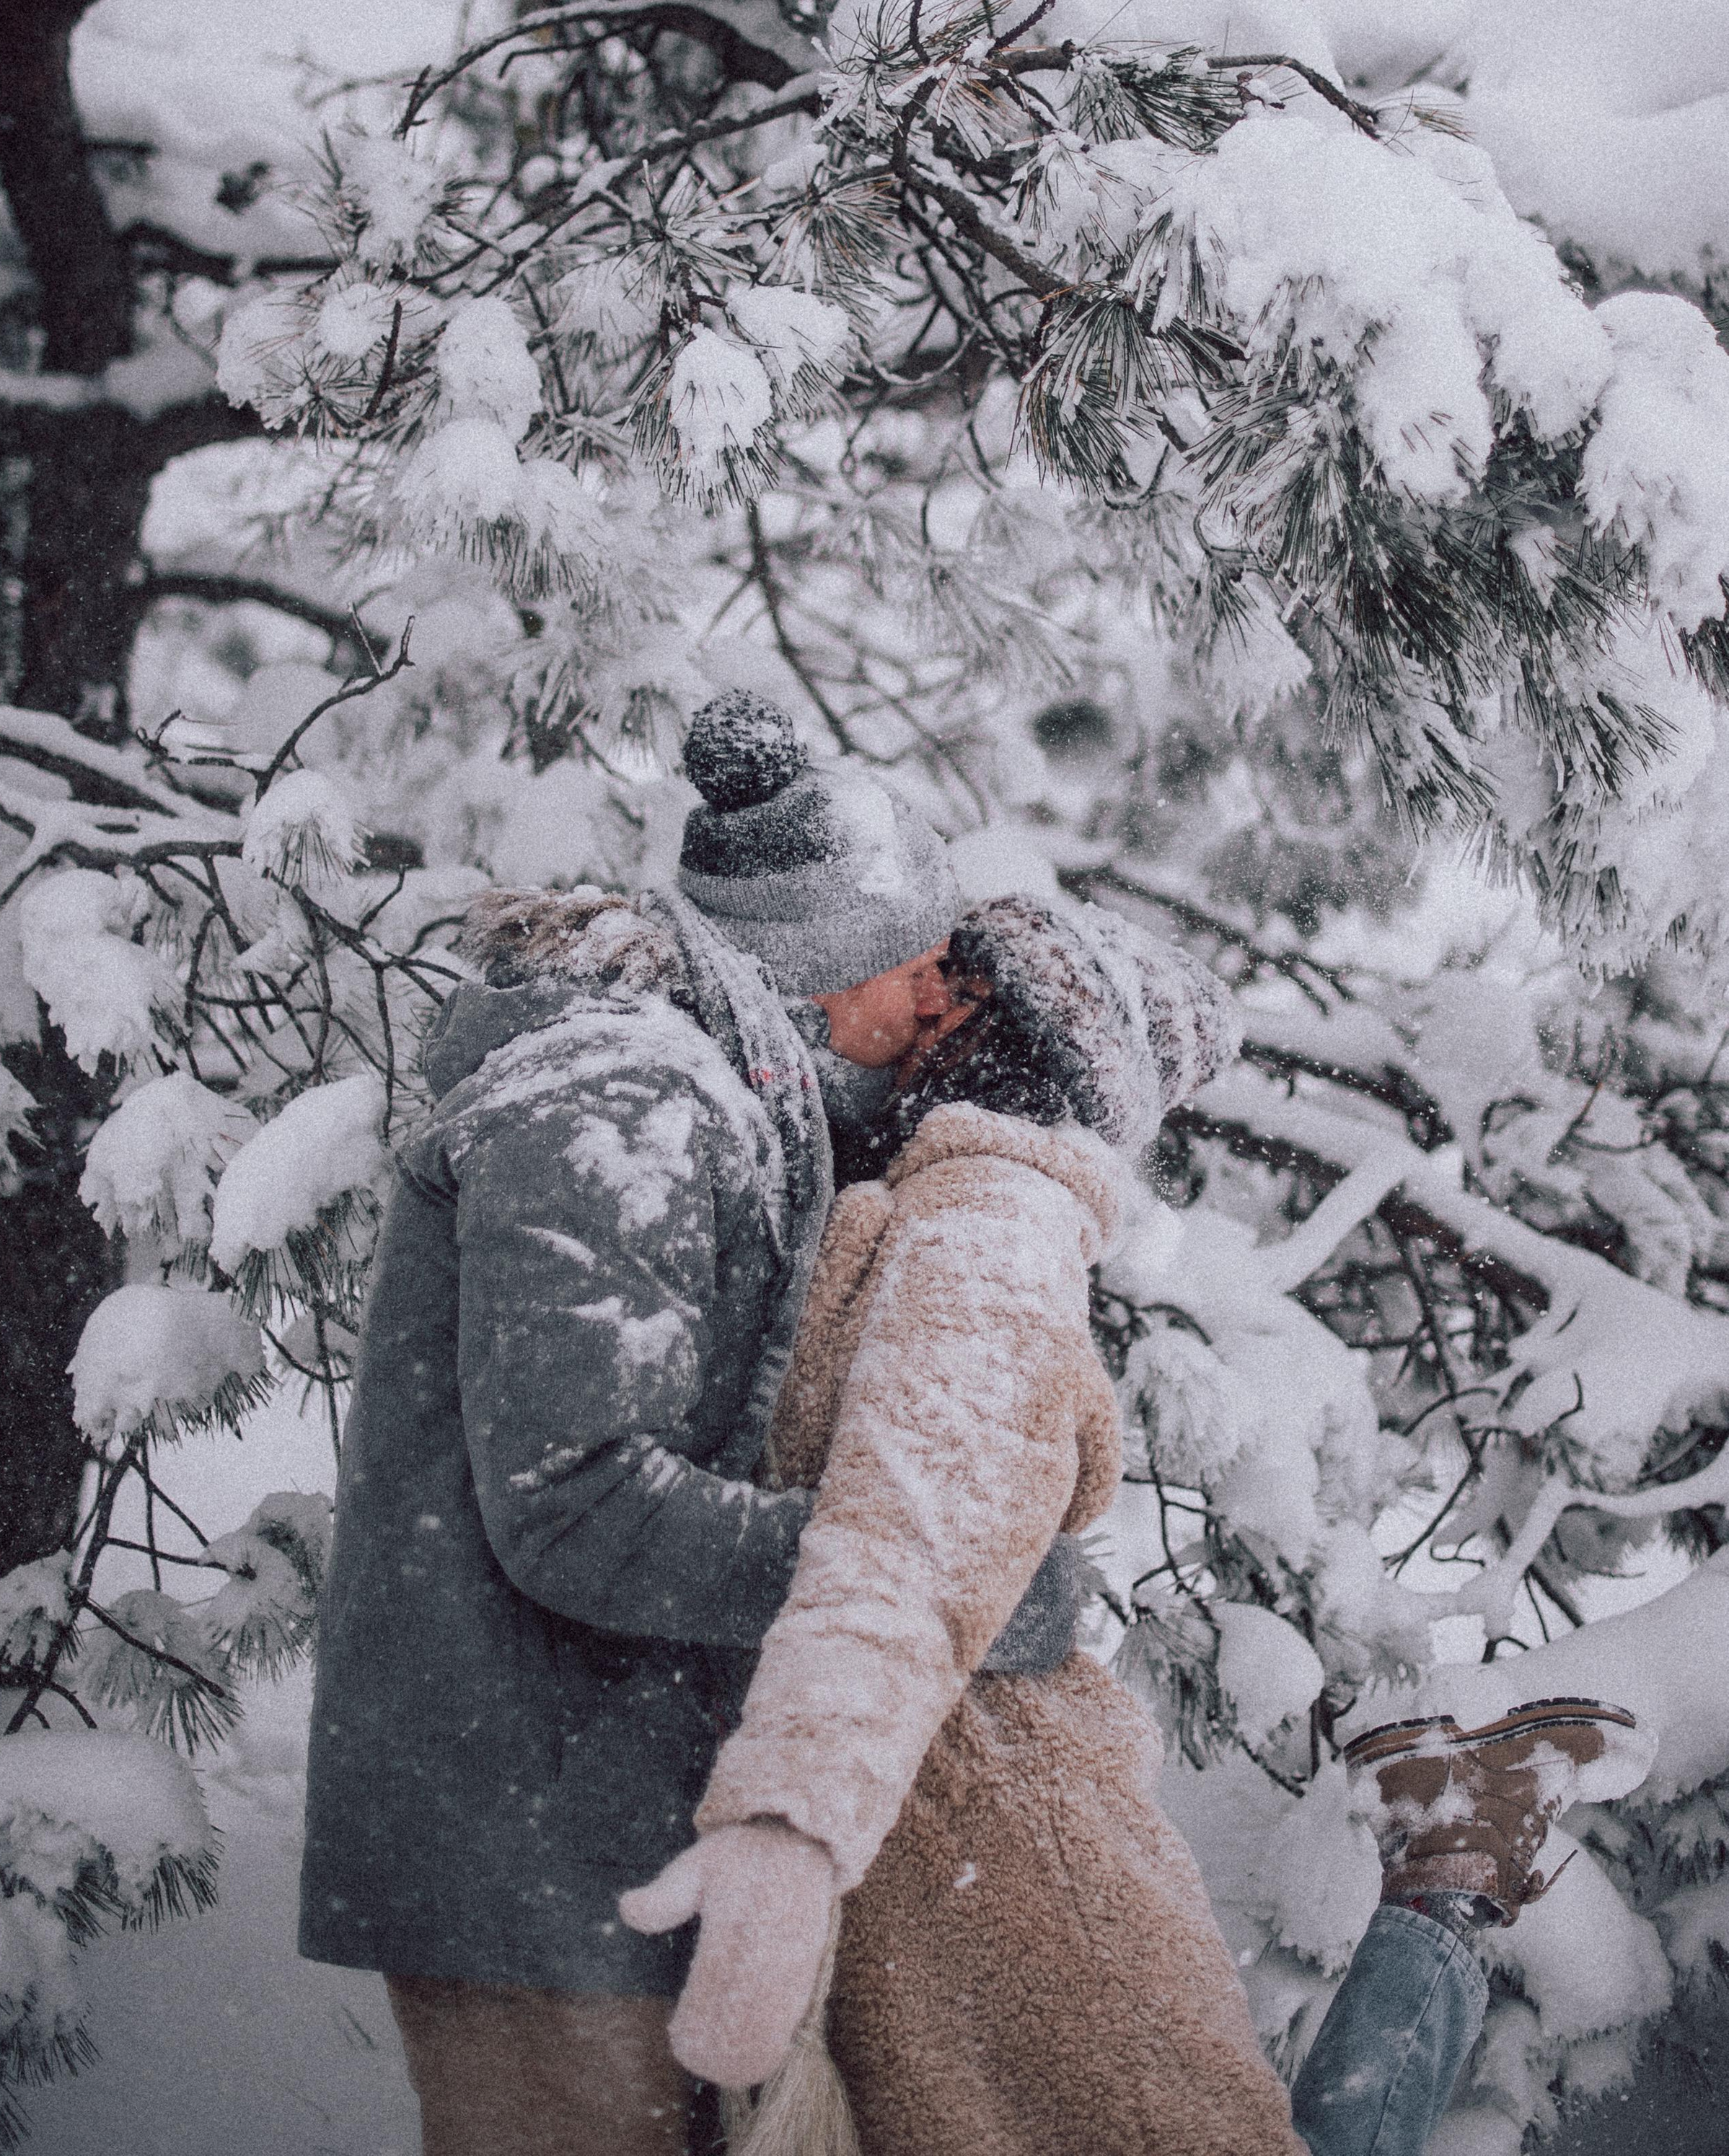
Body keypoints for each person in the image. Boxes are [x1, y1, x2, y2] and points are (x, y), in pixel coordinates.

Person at [611, 844, 1655, 2156]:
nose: (909, 998)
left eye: (950, 984)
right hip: (945, 1831)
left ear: (996, 1039)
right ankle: (1449, 1858)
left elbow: (916, 1528)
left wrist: (794, 1818)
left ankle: (1446, 1870)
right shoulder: (922, 1197)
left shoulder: (986, 1221)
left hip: (1000, 1846)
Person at [296, 695, 1080, 2156]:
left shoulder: (729, 1100)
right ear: (819, 958)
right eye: (913, 963)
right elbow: (578, 1506)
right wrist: (915, 1590)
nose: (930, 1003)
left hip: (609, 1813)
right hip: (527, 1837)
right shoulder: (623, 1097)